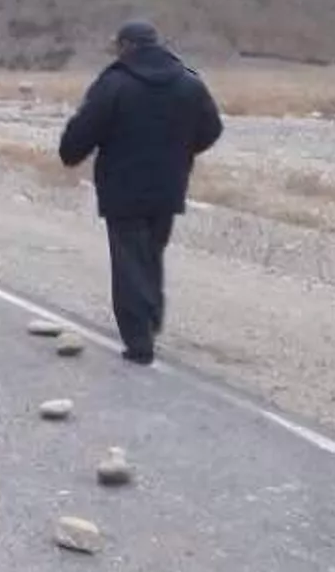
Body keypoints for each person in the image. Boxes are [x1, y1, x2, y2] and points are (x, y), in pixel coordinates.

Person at [58, 20, 223, 365]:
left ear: (126, 46)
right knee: (151, 254)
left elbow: (83, 130)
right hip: (169, 185)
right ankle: (151, 318)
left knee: (129, 261)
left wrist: (70, 153)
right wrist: (181, 151)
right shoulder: (188, 82)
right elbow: (212, 128)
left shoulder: (114, 83)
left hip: (122, 186)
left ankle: (139, 341)